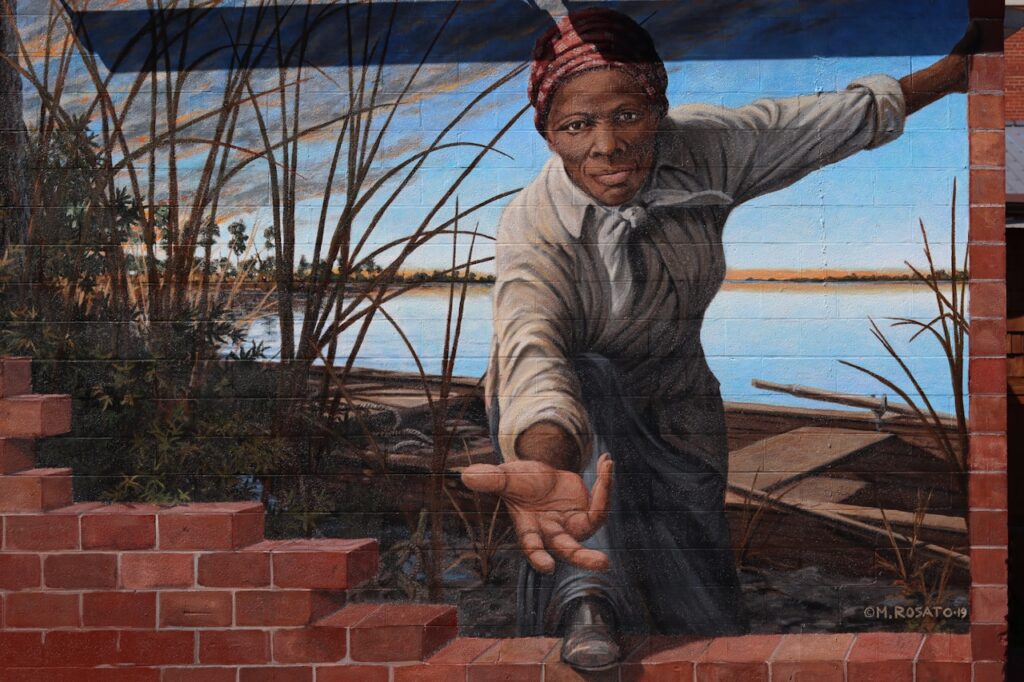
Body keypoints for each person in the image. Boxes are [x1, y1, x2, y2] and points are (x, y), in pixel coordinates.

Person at [461, 8, 974, 672]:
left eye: (626, 116)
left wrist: (952, 74)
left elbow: (823, 124)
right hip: (570, 411)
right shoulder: (534, 226)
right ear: (549, 134)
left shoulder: (704, 146)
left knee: (700, 602)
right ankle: (585, 606)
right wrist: (548, 461)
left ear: (658, 105)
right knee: (589, 390)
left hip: (677, 400)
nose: (606, 146)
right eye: (576, 126)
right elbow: (535, 354)